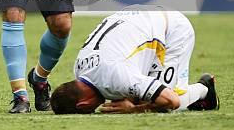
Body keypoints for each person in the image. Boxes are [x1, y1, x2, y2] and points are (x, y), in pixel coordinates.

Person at [50, 7, 220, 114]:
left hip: (173, 29)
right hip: (141, 17)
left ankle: (204, 89)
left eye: (91, 110)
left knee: (167, 105)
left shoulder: (116, 76)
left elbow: (171, 101)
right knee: (140, 94)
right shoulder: (80, 69)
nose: (96, 109)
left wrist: (134, 109)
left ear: (83, 104)